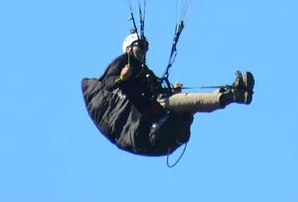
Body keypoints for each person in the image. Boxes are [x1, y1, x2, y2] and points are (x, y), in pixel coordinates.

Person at [80, 31, 254, 157]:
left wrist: (172, 91)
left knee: (188, 104)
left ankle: (233, 95)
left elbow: (157, 89)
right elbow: (109, 83)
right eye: (140, 46)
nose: (143, 51)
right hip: (149, 117)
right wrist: (122, 78)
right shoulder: (123, 62)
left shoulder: (145, 71)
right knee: (185, 102)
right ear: (128, 48)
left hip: (160, 120)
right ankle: (234, 95)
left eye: (145, 48)